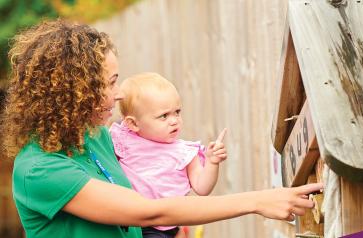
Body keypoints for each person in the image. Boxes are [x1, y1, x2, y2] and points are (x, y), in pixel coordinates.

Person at [1, 19, 323, 238]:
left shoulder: (96, 136)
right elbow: (149, 213)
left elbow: (153, 191)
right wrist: (257, 201)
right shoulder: (39, 170)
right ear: (75, 90)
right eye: (110, 83)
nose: (118, 94)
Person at [109, 73, 228, 238]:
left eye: (177, 112)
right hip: (132, 221)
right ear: (133, 124)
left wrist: (212, 163)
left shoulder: (184, 153)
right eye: (164, 116)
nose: (174, 121)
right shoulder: (122, 140)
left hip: (165, 227)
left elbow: (202, 187)